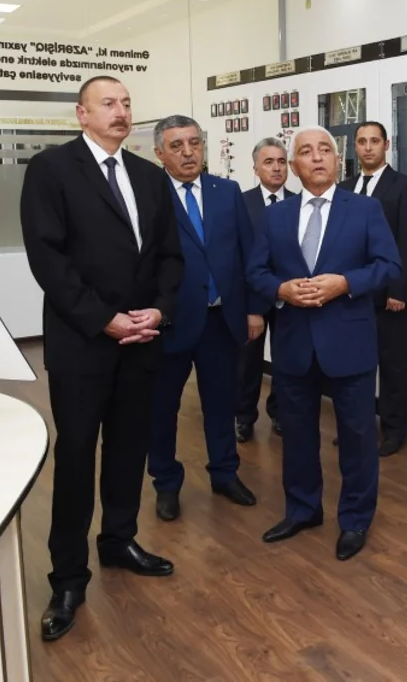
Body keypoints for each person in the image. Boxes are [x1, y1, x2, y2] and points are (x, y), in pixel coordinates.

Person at [19, 75, 183, 642]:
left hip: (142, 339)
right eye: (108, 103)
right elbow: (48, 259)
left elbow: (169, 256)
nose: (121, 111)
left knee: (129, 447)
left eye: (127, 103)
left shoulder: (150, 176)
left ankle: (118, 539)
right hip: (82, 341)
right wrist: (102, 318)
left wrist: (158, 311)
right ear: (81, 114)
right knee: (76, 456)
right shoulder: (51, 169)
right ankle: (67, 577)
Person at [246, 125, 401, 560]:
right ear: (293, 166)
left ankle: (355, 520)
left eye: (325, 150)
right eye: (306, 152)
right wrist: (281, 290)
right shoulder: (276, 215)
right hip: (294, 344)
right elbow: (255, 271)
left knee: (357, 438)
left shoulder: (365, 209)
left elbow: (389, 265)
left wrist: (345, 283)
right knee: (297, 436)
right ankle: (302, 510)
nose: (316, 157)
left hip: (349, 343)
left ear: (337, 160)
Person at [147, 115, 264, 522]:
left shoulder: (226, 192)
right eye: (176, 146)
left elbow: (249, 254)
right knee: (163, 408)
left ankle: (225, 474)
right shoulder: (150, 196)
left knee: (221, 402)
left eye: (194, 143)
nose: (188, 153)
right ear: (160, 153)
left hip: (221, 320)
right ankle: (166, 483)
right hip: (171, 322)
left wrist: (253, 308)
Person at [340, 121, 407, 456]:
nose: (368, 147)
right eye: (362, 141)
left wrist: (398, 291)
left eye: (374, 141)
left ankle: (393, 431)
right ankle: (357, 427)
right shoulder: (344, 188)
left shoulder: (404, 186)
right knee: (353, 366)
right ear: (355, 147)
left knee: (392, 366)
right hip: (350, 294)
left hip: (388, 295)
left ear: (386, 145)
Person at [235, 137, 296, 442]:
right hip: (253, 299)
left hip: (290, 298)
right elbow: (237, 259)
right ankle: (244, 417)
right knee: (248, 363)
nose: (276, 168)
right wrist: (250, 308)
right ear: (256, 168)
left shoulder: (300, 202)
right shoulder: (240, 204)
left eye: (281, 161)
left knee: (286, 362)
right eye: (269, 162)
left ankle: (280, 413)